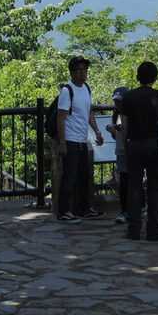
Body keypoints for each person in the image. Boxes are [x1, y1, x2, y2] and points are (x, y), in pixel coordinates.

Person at [119, 61, 158, 241]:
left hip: (134, 143)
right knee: (155, 188)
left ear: (137, 77)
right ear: (155, 78)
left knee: (134, 187)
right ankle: (154, 229)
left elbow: (124, 124)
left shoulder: (128, 97)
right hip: (153, 145)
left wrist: (126, 144)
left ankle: (134, 229)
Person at [55, 56, 104, 223]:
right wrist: (63, 143)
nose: (83, 73)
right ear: (72, 72)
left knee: (84, 176)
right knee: (69, 177)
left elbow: (88, 112)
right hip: (71, 139)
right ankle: (63, 211)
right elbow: (61, 118)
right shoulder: (67, 91)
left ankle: (84, 209)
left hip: (82, 139)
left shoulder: (86, 89)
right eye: (80, 70)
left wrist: (97, 131)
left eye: (85, 69)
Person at [106, 87, 133, 225]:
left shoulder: (132, 113)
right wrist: (112, 131)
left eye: (120, 101)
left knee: (132, 180)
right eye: (116, 101)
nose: (118, 104)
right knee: (124, 181)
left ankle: (135, 207)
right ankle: (125, 210)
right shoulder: (115, 115)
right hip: (121, 151)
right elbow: (115, 136)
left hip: (131, 150)